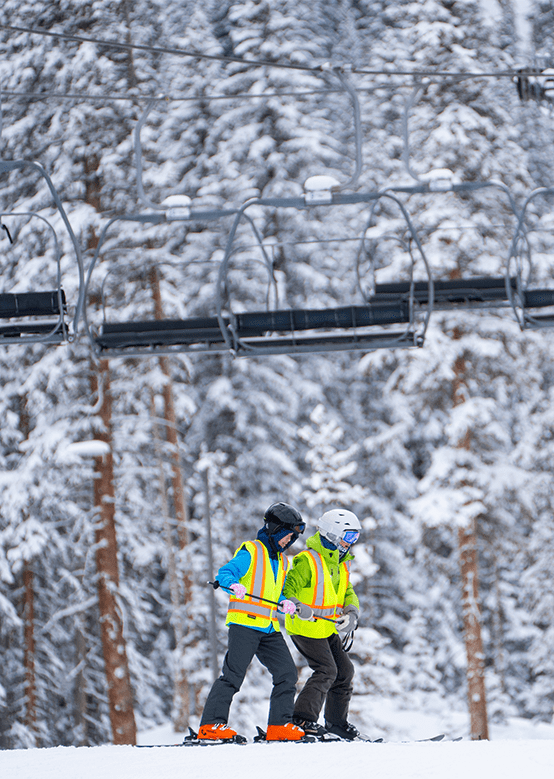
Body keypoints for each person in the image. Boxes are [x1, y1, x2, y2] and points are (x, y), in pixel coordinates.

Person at [197, 502, 308, 742]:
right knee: (233, 675)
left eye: (293, 538)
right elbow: (225, 574)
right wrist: (232, 585)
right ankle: (210, 726)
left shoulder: (282, 561)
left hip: (268, 627)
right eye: (288, 535)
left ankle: (279, 726)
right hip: (245, 625)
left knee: (287, 673)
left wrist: (284, 602)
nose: (289, 541)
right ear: (276, 530)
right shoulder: (252, 552)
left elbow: (273, 592)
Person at [283, 508, 362, 741]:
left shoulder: (340, 563)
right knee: (327, 670)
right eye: (349, 537)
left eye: (355, 537)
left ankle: (336, 724)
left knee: (345, 671)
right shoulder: (308, 561)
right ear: (332, 534)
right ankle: (302, 719)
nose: (352, 543)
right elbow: (287, 590)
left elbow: (347, 591)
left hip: (326, 627)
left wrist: (351, 612)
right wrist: (297, 604)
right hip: (305, 626)